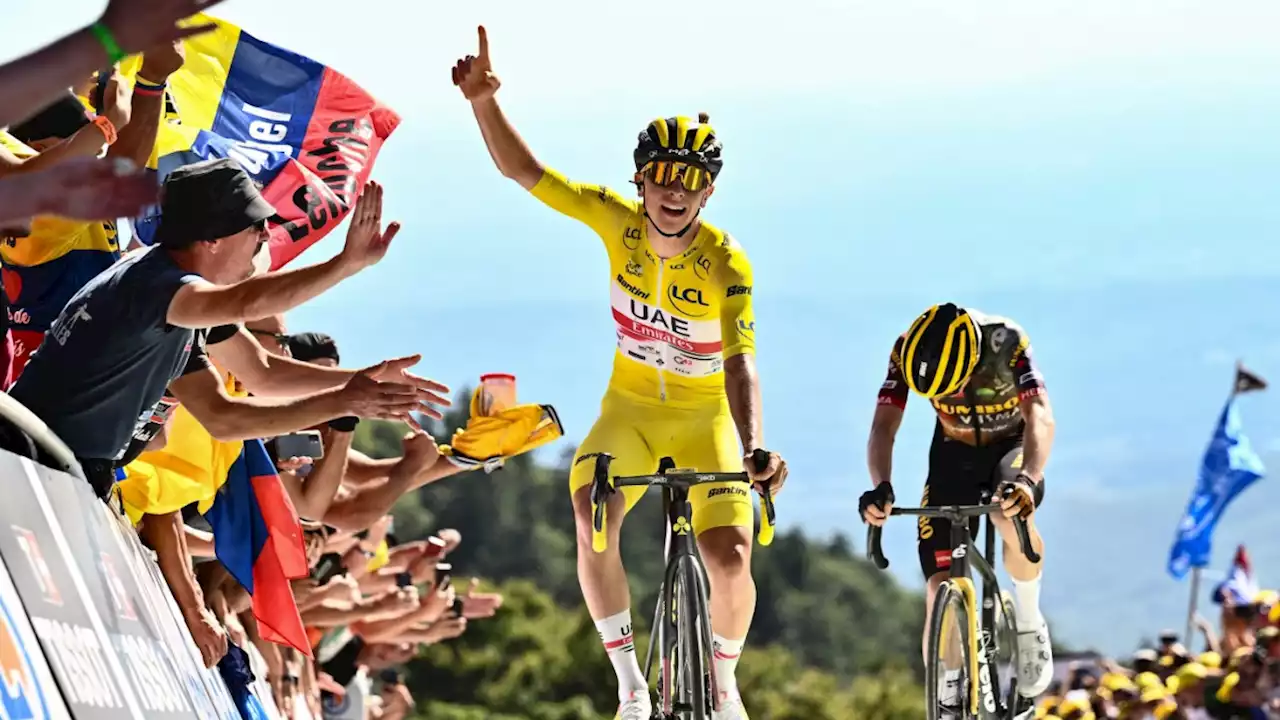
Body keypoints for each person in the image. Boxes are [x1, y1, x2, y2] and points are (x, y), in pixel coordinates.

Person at [452, 26, 788, 720]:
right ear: (641, 180)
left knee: (729, 558)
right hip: (629, 411)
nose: (676, 191)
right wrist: (483, 101)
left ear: (710, 191)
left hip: (705, 422)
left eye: (692, 180)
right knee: (590, 513)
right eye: (663, 176)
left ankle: (724, 680)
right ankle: (631, 684)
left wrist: (753, 446)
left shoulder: (727, 263)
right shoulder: (616, 222)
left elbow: (740, 361)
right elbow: (526, 174)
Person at [9, 158, 442, 497]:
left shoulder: (180, 303)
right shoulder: (160, 288)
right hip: (30, 462)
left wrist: (359, 383)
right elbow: (249, 302)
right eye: (256, 225)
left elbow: (254, 384)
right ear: (211, 238)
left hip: (51, 466)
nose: (264, 237)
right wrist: (343, 266)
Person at [860, 303, 1056, 709]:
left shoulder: (1007, 341)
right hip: (954, 453)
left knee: (1008, 513)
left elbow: (1039, 414)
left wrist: (1028, 478)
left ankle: (1028, 619)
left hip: (1012, 447)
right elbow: (884, 425)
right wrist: (880, 486)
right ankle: (948, 684)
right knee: (938, 583)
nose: (947, 397)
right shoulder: (906, 349)